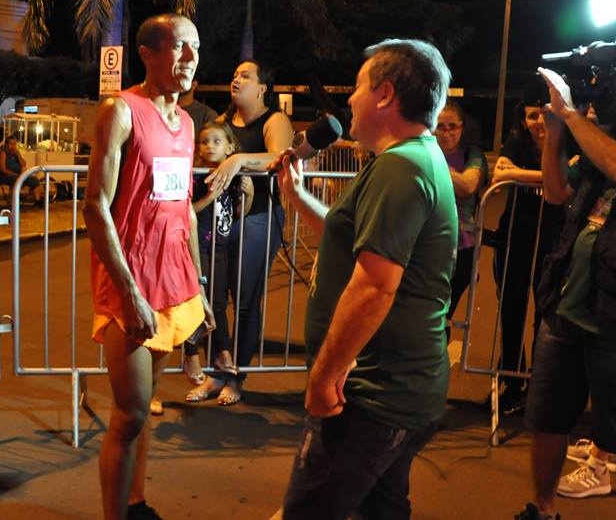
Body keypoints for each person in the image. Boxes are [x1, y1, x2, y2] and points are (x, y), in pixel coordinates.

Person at [274, 39, 457, 519]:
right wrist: (296, 196)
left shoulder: (402, 168)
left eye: (356, 87)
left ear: (385, 94)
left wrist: (325, 375)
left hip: (373, 396)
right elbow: (350, 234)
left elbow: (376, 285)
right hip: (392, 391)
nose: (348, 100)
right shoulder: (406, 159)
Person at [515, 35, 616, 520]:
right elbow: (557, 192)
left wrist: (576, 118)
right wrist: (557, 130)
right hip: (569, 302)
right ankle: (542, 509)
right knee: (548, 419)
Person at [84, 13, 213, 520]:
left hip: (174, 281)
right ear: (148, 52)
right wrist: (130, 292)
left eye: (195, 49)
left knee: (148, 407)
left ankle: (136, 503)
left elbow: (180, 208)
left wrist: (198, 285)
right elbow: (95, 206)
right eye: (180, 47)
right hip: (130, 285)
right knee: (130, 413)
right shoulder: (120, 111)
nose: (189, 59)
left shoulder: (186, 122)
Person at [204, 59, 294, 405]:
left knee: (244, 301)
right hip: (222, 219)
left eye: (246, 75)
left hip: (258, 219)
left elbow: (278, 156)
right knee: (213, 297)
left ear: (262, 88)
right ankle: (216, 371)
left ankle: (236, 376)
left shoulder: (275, 120)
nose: (236, 79)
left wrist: (239, 160)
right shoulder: (224, 122)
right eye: (235, 73)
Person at [489, 94, 564, 415]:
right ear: (523, 121)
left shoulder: (565, 142)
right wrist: (528, 175)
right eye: (533, 116)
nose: (539, 123)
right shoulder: (516, 142)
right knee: (512, 308)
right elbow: (498, 175)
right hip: (515, 236)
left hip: (553, 238)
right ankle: (512, 380)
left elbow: (564, 179)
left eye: (545, 115)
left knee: (545, 311)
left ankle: (539, 381)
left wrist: (515, 174)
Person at [184, 121, 253, 405]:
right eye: (204, 141)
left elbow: (238, 214)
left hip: (220, 245)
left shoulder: (233, 177)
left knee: (218, 303)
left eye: (215, 141)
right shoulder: (198, 176)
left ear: (230, 148)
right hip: (198, 245)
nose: (209, 146)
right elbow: (188, 210)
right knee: (198, 302)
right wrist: (211, 195)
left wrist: (248, 195)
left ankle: (221, 354)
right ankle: (202, 354)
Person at [177, 79, 219, 386]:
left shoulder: (205, 114)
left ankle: (206, 353)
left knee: (201, 290)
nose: (207, 147)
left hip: (202, 228)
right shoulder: (160, 111)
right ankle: (189, 354)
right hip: (175, 218)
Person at [435, 101, 487, 341]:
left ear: (462, 128)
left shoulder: (471, 154)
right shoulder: (425, 149)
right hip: (426, 244)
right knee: (430, 312)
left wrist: (434, 166)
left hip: (461, 246)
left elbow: (468, 185)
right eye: (440, 126)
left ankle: (435, 368)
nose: (446, 133)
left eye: (452, 127)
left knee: (442, 312)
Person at [0, 135, 46, 202]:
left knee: (34, 179)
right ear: (6, 144)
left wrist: (18, 155)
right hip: (6, 175)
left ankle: (37, 200)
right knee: (15, 180)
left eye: (14, 144)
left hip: (18, 175)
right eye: (11, 144)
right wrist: (16, 175)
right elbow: (2, 169)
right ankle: (13, 200)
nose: (13, 146)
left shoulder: (15, 154)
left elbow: (23, 164)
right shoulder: (3, 153)